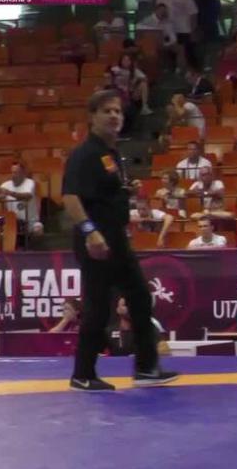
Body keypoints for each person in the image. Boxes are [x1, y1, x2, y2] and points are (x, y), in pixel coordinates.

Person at [61, 89, 177, 390]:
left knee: (139, 297)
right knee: (98, 307)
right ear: (92, 116)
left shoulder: (111, 153)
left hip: (116, 239)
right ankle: (83, 374)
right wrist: (90, 232)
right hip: (96, 241)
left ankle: (146, 368)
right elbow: (70, 197)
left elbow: (104, 191)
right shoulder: (84, 153)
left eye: (117, 111)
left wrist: (125, 191)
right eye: (107, 111)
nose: (114, 116)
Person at [0, 162, 43, 241]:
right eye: (12, 172)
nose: (13, 175)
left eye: (16, 172)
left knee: (38, 229)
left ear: (23, 173)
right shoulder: (5, 185)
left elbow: (27, 196)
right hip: (12, 222)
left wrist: (9, 193)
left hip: (30, 221)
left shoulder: (30, 183)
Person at [169, 0, 200, 70]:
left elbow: (194, 16)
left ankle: (193, 70)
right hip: (174, 31)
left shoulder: (189, 0)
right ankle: (177, 70)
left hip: (186, 31)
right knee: (174, 52)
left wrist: (193, 30)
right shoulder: (171, 0)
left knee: (188, 52)